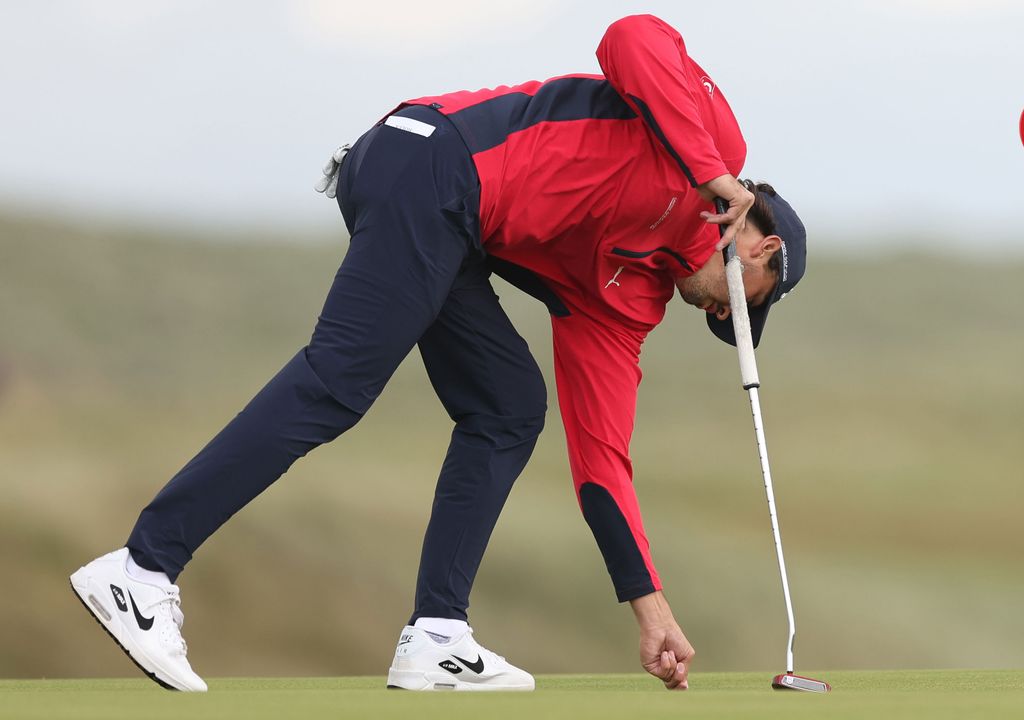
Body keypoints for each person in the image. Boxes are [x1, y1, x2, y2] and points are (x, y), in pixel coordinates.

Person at [69, 14, 807, 693]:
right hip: (427, 158)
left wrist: (651, 609)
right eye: (746, 299)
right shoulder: (716, 144)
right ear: (761, 246)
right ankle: (143, 567)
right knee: (339, 382)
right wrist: (710, 171)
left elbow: (602, 462)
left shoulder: (626, 302)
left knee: (509, 406)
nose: (720, 315)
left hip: (451, 225)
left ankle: (437, 633)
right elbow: (632, 37)